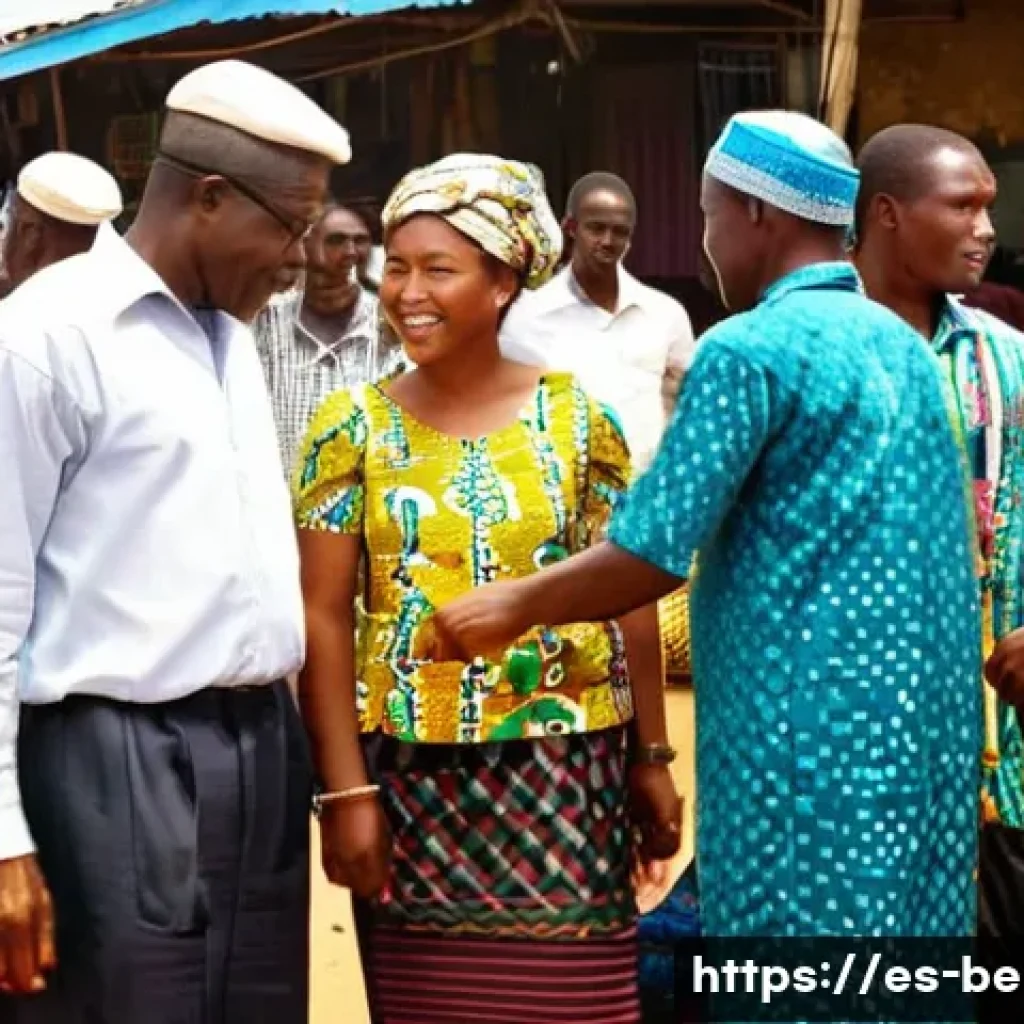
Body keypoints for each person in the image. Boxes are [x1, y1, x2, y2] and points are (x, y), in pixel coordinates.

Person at [431, 112, 983, 941]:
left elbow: (648, 553)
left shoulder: (745, 352)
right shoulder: (901, 344)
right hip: (924, 750)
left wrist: (509, 606)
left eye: (708, 214)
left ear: (759, 213)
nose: (705, 243)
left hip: (800, 757)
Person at [292, 152, 681, 1024]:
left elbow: (628, 595)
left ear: (504, 282)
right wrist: (346, 792)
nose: (406, 291)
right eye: (395, 267)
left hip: (568, 774)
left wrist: (652, 758)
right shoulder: (348, 428)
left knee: (579, 1007)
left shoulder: (579, 421)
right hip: (408, 782)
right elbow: (320, 615)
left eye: (439, 269)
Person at [0, 59, 350, 1022]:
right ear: (207, 197)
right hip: (115, 765)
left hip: (260, 760)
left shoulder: (230, 339)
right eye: (290, 226)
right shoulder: (47, 339)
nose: (301, 260)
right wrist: (3, 841)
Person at [854, 123, 1024, 941]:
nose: (986, 230)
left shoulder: (1007, 359)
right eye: (963, 206)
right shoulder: (811, 358)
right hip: (851, 756)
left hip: (1006, 760)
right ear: (886, 213)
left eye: (988, 209)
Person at [500, 171, 694, 475]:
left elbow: (681, 406)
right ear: (571, 228)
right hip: (563, 498)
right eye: (597, 228)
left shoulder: (665, 314)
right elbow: (508, 416)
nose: (607, 241)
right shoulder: (528, 316)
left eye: (619, 231)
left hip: (645, 496)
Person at [255, 199, 403, 474]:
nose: (351, 252)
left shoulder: (393, 328)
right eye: (336, 241)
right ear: (305, 247)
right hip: (276, 507)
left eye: (360, 241)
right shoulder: (265, 323)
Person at [0, 151, 122, 296]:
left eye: (10, 218)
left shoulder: (16, 313)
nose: (2, 237)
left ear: (30, 233)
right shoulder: (124, 300)